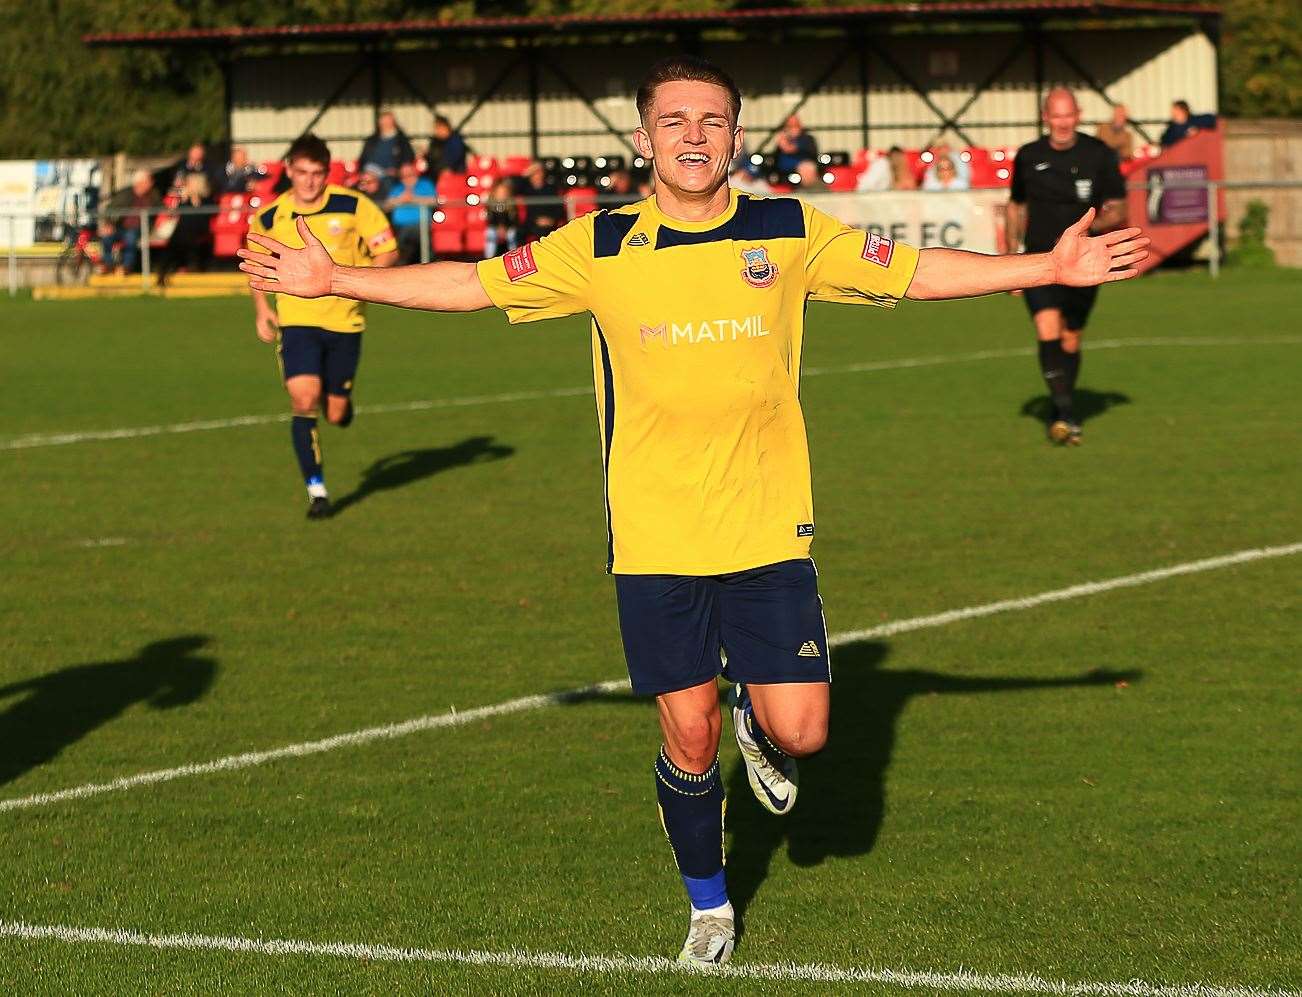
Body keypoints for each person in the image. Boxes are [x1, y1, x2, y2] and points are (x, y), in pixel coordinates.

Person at [239, 57, 1147, 962]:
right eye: (673, 121)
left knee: (806, 727)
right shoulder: (597, 245)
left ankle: (761, 715)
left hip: (764, 522)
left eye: (711, 120)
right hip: (655, 533)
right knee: (687, 729)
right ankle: (709, 906)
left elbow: (915, 273)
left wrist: (1048, 263)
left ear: (736, 136)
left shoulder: (786, 229)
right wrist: (339, 282)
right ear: (643, 140)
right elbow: (472, 283)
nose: (693, 137)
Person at [244, 133, 399, 518]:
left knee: (335, 413)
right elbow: (257, 267)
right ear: (290, 172)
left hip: (346, 322)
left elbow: (387, 250)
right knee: (303, 398)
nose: (310, 181)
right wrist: (262, 309)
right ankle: (317, 491)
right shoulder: (269, 218)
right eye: (303, 173)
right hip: (297, 320)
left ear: (327, 173)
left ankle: (341, 404)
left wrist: (365, 284)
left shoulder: (353, 205)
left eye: (318, 173)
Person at [1006, 88, 1129, 445]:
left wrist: (1097, 230)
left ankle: (1063, 406)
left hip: (1084, 263)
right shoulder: (1029, 156)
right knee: (1047, 327)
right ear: (1046, 117)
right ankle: (1065, 414)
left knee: (1071, 337)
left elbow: (1119, 206)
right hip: (1039, 260)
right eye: (1056, 116)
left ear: (1079, 114)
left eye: (1068, 115)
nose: (1062, 122)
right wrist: (1010, 256)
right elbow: (1015, 206)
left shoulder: (1098, 154)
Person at [98, 169, 160, 275]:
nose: (151, 183)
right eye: (148, 181)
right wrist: (108, 224)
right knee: (106, 237)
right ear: (139, 183)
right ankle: (108, 264)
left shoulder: (153, 195)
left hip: (140, 228)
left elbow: (161, 208)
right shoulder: (125, 193)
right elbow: (110, 209)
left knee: (130, 237)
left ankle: (126, 267)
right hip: (120, 226)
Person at [157, 172, 213, 285]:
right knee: (176, 241)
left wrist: (195, 200)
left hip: (199, 229)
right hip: (183, 232)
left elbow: (203, 217)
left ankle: (182, 267)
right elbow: (179, 214)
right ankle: (162, 274)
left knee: (182, 239)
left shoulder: (207, 200)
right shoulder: (184, 201)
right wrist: (184, 199)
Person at [385, 160, 437, 264]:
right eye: (404, 176)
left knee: (414, 235)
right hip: (400, 227)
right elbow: (386, 206)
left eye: (409, 175)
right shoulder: (397, 188)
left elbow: (434, 201)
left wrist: (413, 199)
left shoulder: (425, 184)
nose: (407, 178)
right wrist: (400, 200)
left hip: (422, 225)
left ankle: (426, 261)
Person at [359, 111, 415, 183]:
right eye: (383, 121)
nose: (385, 124)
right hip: (370, 173)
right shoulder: (371, 140)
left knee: (387, 183)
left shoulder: (402, 140)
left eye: (388, 121)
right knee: (362, 184)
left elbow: (409, 157)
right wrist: (364, 172)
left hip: (391, 175)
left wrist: (397, 170)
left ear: (393, 122)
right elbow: (363, 159)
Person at [514, 162, 563, 242]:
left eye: (539, 172)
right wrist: (525, 173)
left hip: (549, 222)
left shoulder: (551, 189)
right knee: (518, 232)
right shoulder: (526, 189)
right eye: (534, 173)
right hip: (531, 222)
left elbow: (559, 209)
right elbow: (512, 186)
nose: (537, 175)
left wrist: (551, 220)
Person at [482, 178, 519, 259]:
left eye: (504, 192)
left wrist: (505, 228)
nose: (502, 194)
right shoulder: (490, 204)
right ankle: (488, 257)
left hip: (508, 227)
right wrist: (498, 228)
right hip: (494, 227)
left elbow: (514, 219)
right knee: (490, 233)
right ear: (495, 192)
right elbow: (490, 219)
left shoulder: (511, 204)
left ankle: (514, 256)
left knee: (511, 234)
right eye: (499, 192)